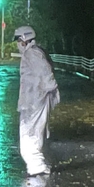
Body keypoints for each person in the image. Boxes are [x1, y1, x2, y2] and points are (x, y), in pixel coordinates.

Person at [14, 25, 59, 177]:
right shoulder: (32, 53)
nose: (17, 44)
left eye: (18, 40)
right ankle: (37, 165)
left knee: (29, 135)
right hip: (32, 101)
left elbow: (45, 75)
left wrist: (49, 92)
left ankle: (37, 166)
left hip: (34, 102)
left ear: (24, 40)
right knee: (32, 133)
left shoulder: (32, 54)